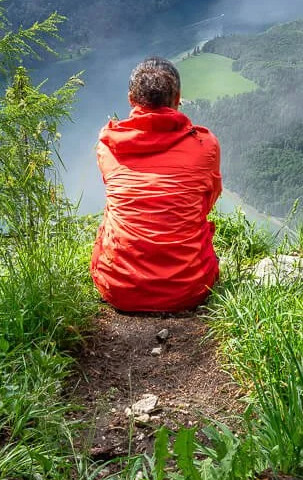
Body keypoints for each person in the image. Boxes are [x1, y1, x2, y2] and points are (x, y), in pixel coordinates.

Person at [91, 56, 222, 313]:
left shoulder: (107, 147)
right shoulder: (205, 145)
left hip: (118, 287)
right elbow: (207, 202)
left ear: (131, 99)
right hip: (190, 288)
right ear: (178, 98)